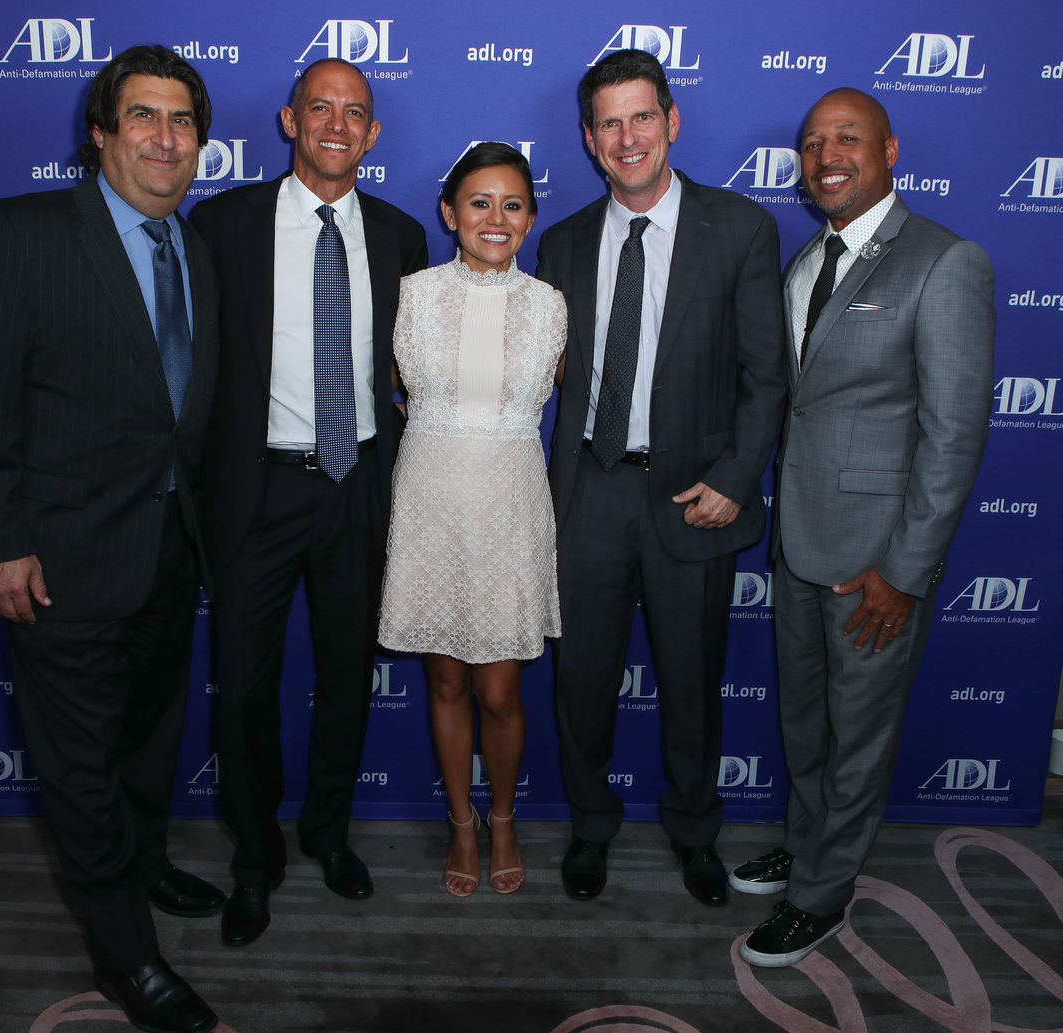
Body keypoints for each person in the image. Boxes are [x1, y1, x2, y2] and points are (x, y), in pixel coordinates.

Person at [0, 45, 222, 1033]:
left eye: (182, 120)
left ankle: (145, 867)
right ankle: (127, 959)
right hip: (57, 564)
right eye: (142, 116)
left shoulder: (193, 247)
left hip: (167, 554)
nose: (164, 137)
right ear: (99, 133)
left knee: (148, 741)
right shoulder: (21, 233)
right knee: (82, 767)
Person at [733, 88, 994, 967]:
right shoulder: (808, 258)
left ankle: (823, 890)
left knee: (859, 733)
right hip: (797, 542)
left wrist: (905, 570)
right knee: (806, 724)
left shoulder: (944, 261)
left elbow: (954, 436)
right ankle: (810, 843)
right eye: (811, 144)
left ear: (890, 149)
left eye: (846, 139)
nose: (825, 156)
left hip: (876, 561)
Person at [536, 48, 787, 907]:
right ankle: (590, 827)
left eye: (642, 116)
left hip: (696, 497)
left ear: (672, 122)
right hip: (591, 495)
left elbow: (768, 376)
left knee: (691, 681)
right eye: (609, 122)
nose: (627, 136)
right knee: (582, 684)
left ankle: (694, 832)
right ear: (588, 138)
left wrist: (734, 477)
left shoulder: (741, 228)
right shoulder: (562, 242)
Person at [189, 58, 427, 946]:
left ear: (372, 134)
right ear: (289, 121)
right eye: (319, 107)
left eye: (355, 112)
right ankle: (256, 857)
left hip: (358, 485)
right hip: (255, 489)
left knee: (345, 678)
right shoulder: (223, 224)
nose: (337, 123)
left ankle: (327, 833)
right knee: (244, 689)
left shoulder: (403, 236)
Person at [379, 142, 567, 897]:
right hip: (430, 500)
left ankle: (504, 816)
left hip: (512, 505)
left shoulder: (551, 303)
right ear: (450, 212)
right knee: (447, 680)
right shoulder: (414, 294)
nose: (496, 218)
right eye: (480, 202)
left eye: (513, 204)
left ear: (529, 218)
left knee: (500, 691)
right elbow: (390, 388)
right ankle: (462, 821)